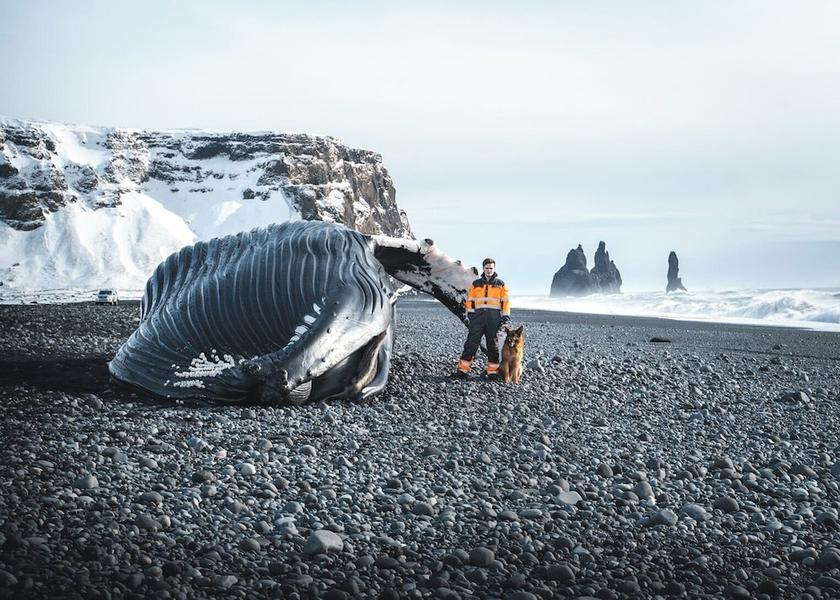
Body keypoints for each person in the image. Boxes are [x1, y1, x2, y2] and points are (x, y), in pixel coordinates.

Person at [455, 258, 511, 380]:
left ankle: (492, 372)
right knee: (471, 344)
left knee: (493, 346)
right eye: (487, 268)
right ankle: (462, 370)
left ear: (494, 269)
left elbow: (505, 302)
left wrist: (505, 316)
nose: (489, 270)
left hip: (494, 318)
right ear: (483, 269)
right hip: (478, 318)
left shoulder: (500, 284)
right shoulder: (476, 284)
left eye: (491, 268)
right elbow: (470, 301)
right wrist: (471, 315)